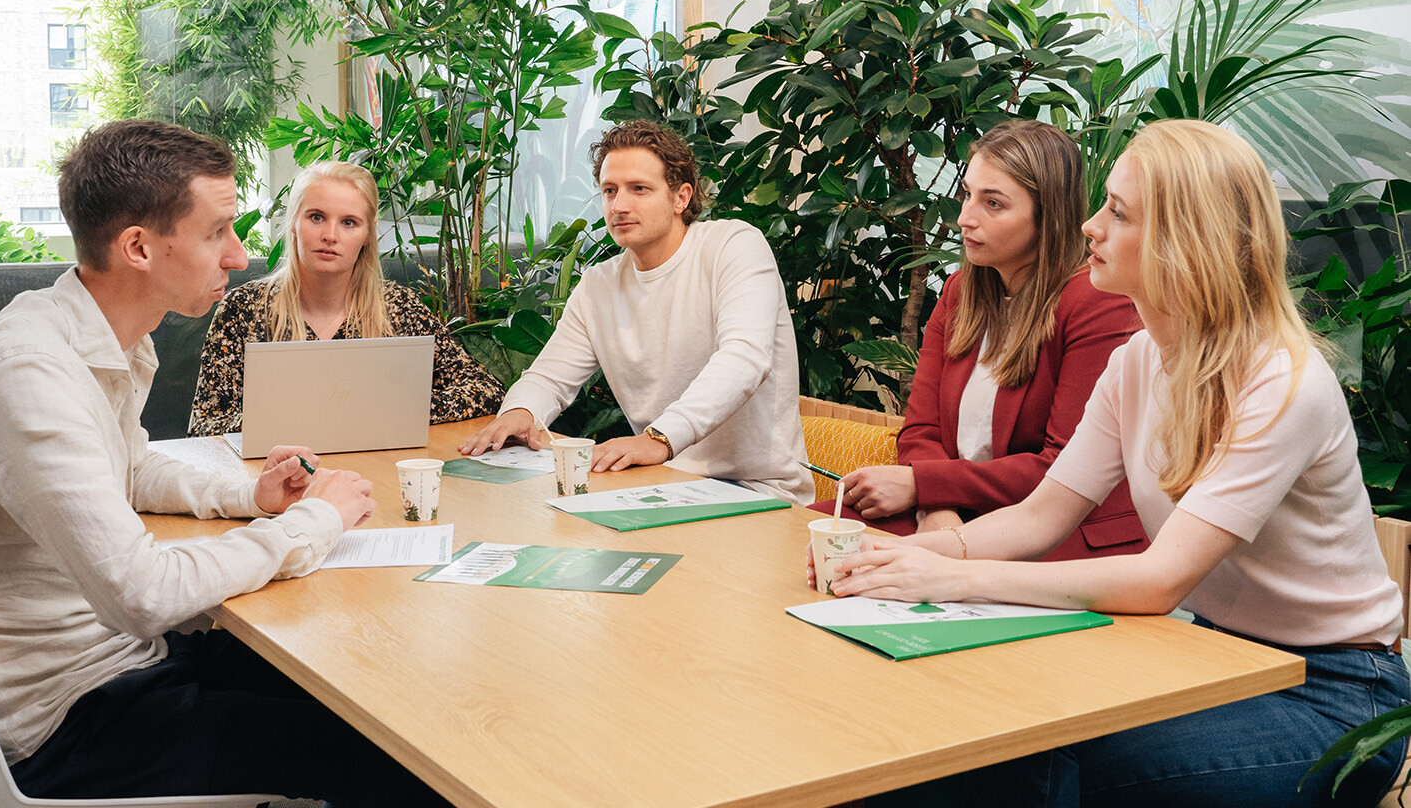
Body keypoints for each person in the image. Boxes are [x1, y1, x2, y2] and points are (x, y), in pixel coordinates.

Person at [826, 119, 1409, 807]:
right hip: (1212, 654)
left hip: (1337, 696)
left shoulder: (1283, 381)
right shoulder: (1137, 362)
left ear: (1184, 242)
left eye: (1119, 213)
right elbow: (1044, 514)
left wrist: (949, 574)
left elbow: (1159, 581)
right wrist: (915, 556)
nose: (1089, 228)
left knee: (1038, 762)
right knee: (983, 725)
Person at [0, 120, 442, 805]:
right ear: (138, 247)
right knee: (401, 757)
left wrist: (255, 494)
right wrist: (311, 524)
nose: (240, 255)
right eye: (218, 231)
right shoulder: (29, 373)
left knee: (376, 685)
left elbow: (130, 470)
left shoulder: (96, 339)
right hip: (73, 723)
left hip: (123, 665)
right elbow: (143, 594)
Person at [811, 120, 1146, 560]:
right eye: (968, 194)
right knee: (813, 535)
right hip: (954, 512)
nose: (966, 218)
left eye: (993, 204)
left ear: (1048, 216)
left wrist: (923, 486)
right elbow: (921, 429)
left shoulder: (1096, 301)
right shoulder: (960, 291)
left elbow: (1062, 466)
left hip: (1056, 533)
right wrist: (938, 506)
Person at [458, 119, 811, 503]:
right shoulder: (599, 286)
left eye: (639, 189)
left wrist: (660, 438)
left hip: (757, 492)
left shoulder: (734, 246)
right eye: (609, 191)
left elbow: (745, 358)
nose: (619, 206)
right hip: (661, 484)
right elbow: (549, 378)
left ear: (681, 198)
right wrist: (520, 413)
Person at [189, 160, 504, 437]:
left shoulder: (401, 308)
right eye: (316, 217)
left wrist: (394, 412)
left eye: (349, 222)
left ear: (367, 234)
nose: (330, 235)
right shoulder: (243, 309)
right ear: (294, 224)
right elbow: (204, 425)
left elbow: (486, 391)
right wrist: (319, 419)